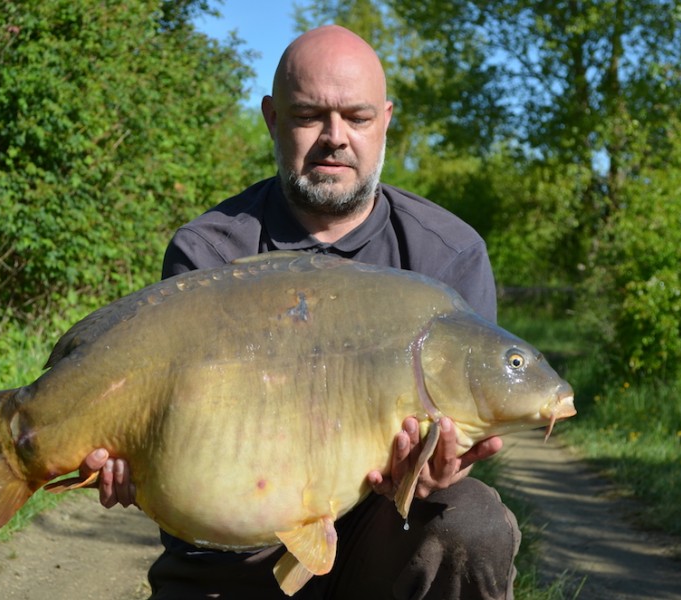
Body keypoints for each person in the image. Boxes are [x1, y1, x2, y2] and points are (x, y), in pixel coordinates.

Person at [80, 24, 519, 600]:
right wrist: (136, 459)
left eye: (357, 118)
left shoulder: (447, 254)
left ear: (386, 119)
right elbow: (164, 423)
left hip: (383, 534)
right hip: (235, 550)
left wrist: (439, 471)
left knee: (472, 520)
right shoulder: (210, 251)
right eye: (310, 115)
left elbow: (455, 444)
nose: (335, 138)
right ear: (271, 117)